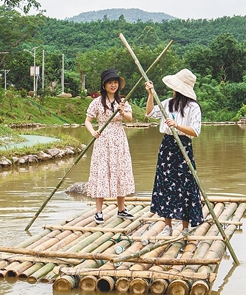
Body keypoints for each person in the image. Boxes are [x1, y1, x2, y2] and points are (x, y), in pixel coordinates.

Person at [145, 68, 203, 237]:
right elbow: (149, 114)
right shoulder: (167, 103)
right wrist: (150, 94)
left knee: (186, 186)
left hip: (183, 146)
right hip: (167, 146)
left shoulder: (193, 107)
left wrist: (177, 125)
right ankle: (168, 226)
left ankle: (185, 227)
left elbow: (195, 131)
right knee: (165, 185)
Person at [85, 69, 136, 224]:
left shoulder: (122, 101)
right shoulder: (96, 102)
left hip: (119, 140)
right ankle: (99, 211)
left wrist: (122, 111)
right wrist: (93, 132)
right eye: (110, 82)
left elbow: (129, 119)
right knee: (101, 172)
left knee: (120, 171)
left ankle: (121, 209)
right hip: (103, 140)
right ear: (104, 85)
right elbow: (87, 121)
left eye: (115, 82)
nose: (113, 85)